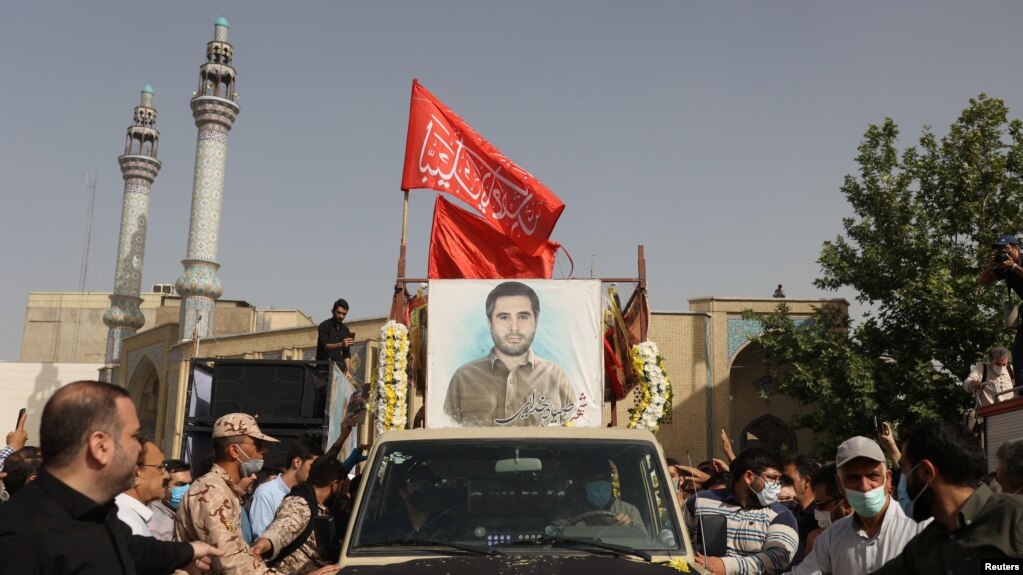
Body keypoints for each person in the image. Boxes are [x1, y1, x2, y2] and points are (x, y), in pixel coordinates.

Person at [0, 380, 222, 574]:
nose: (139, 450)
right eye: (134, 437)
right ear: (100, 446)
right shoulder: (23, 534)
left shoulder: (94, 513)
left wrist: (190, 551)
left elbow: (133, 549)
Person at [175, 412, 340, 575]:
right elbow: (231, 564)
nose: (264, 451)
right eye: (257, 445)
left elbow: (238, 554)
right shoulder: (211, 492)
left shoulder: (226, 491)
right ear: (234, 451)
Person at [872, 422, 1023, 573]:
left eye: (904, 469)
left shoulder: (1016, 518)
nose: (902, 480)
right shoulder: (924, 546)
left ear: (926, 472)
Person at [443, 281, 575, 427]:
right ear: (490, 323)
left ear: (536, 322)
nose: (514, 327)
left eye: (523, 317)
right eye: (504, 317)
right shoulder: (463, 377)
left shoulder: (556, 377)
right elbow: (447, 427)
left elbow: (575, 425)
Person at [792, 437, 929, 575]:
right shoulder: (832, 538)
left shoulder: (920, 528)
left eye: (873, 476)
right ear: (840, 484)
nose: (864, 486)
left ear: (887, 480)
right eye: (853, 478)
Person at [684, 447, 798, 575]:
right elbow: (675, 538)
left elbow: (779, 557)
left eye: (778, 480)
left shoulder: (781, 515)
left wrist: (727, 566)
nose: (777, 485)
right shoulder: (700, 501)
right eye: (772, 478)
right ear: (749, 476)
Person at [250, 456, 347, 573]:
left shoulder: (320, 506)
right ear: (335, 484)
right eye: (341, 485)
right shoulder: (301, 503)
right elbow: (282, 528)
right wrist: (261, 546)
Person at [249, 438, 323, 537]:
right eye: (312, 466)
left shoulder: (309, 496)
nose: (316, 472)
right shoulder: (266, 494)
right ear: (297, 462)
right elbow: (260, 538)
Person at [552, 459, 646, 532]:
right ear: (579, 482)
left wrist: (629, 527)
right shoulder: (565, 512)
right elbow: (557, 539)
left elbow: (645, 543)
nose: (601, 483)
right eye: (593, 479)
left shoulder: (628, 510)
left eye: (605, 478)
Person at [979, 234, 1023, 387]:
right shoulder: (1004, 266)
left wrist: (1014, 267)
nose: (1003, 253)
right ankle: (1021, 391)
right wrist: (990, 266)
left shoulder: (1014, 265)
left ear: (1016, 248)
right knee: (1019, 350)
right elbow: (983, 281)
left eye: (1006, 249)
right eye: (999, 250)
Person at [115, 436, 169, 536]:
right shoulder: (127, 522)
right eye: (160, 467)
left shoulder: (128, 516)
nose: (166, 475)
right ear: (137, 473)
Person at [782, 454, 820, 567]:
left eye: (789, 481)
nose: (784, 485)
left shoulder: (821, 517)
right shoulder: (787, 513)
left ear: (806, 481)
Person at [148, 458, 192, 541]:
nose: (188, 489)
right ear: (163, 486)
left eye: (189, 483)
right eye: (180, 484)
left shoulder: (183, 514)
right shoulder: (154, 522)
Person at [316, 298, 354, 380]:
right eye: (339, 313)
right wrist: (341, 344)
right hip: (323, 371)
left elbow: (346, 354)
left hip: (338, 372)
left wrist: (347, 370)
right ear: (332, 311)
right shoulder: (324, 326)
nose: (341, 316)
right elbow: (325, 346)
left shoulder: (345, 330)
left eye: (344, 314)